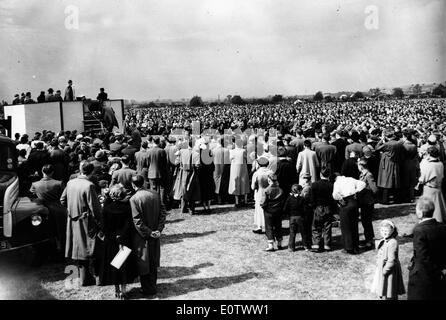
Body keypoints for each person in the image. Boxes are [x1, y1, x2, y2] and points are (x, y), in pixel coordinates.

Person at [61, 161, 102, 286]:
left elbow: (63, 200)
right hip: (86, 220)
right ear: (92, 172)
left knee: (78, 249)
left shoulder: (70, 182)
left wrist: (72, 209)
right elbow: (95, 209)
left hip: (73, 219)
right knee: (91, 248)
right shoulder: (89, 185)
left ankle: (83, 277)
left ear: (80, 169)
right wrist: (100, 222)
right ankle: (93, 277)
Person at [96, 184, 137, 299]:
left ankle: (117, 290)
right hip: (124, 240)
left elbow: (103, 227)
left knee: (114, 265)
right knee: (123, 265)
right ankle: (124, 291)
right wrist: (121, 236)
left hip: (111, 241)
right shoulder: (127, 208)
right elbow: (129, 225)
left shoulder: (106, 209)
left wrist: (113, 236)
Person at [130, 174, 167, 296]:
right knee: (153, 261)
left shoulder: (134, 199)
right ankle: (152, 285)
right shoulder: (154, 194)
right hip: (155, 234)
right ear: (144, 183)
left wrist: (150, 233)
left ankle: (147, 288)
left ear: (133, 185)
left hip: (143, 237)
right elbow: (163, 212)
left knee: (144, 262)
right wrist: (158, 230)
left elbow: (137, 221)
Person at [407, 197, 446, 300]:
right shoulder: (442, 226)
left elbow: (422, 257)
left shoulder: (419, 230)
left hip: (423, 277)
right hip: (439, 272)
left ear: (420, 213)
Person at [29, 164, 67, 258]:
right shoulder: (59, 183)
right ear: (52, 172)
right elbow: (65, 195)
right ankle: (62, 252)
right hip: (58, 209)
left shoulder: (35, 184)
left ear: (42, 172)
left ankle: (51, 251)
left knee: (48, 232)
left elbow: (31, 193)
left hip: (43, 209)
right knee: (60, 232)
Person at [370, 220, 406, 300]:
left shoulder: (393, 242)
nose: (384, 232)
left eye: (386, 230)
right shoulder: (384, 240)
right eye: (382, 230)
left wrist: (384, 271)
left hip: (389, 271)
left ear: (392, 231)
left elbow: (391, 260)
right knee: (384, 289)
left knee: (390, 290)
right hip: (382, 268)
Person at [332, 174, 366, 254]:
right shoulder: (350, 178)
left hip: (345, 202)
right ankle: (356, 247)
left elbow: (335, 195)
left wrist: (340, 198)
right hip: (353, 202)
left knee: (346, 227)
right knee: (354, 225)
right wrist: (356, 191)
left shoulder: (337, 182)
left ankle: (349, 247)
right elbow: (363, 184)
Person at [375, 129, 405, 204]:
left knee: (386, 181)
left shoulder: (387, 144)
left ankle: (385, 200)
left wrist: (381, 140)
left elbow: (377, 148)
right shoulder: (399, 143)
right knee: (395, 181)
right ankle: (397, 199)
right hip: (395, 162)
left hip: (387, 163)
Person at [417, 147, 446, 223]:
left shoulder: (429, 165)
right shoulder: (440, 164)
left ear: (429, 154)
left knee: (428, 207)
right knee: (438, 207)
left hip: (429, 188)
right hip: (438, 188)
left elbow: (422, 179)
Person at [310, 167, 336, 252]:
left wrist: (314, 207)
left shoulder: (314, 185)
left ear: (320, 174)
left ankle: (316, 244)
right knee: (327, 227)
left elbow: (312, 198)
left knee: (316, 226)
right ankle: (327, 245)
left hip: (318, 207)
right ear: (329, 175)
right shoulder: (332, 185)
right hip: (328, 207)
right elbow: (333, 198)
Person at [357, 158, 378, 249]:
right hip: (364, 202)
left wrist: (366, 191)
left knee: (367, 221)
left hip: (368, 202)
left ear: (361, 166)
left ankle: (369, 240)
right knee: (365, 221)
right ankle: (368, 238)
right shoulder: (363, 174)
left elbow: (375, 189)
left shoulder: (368, 175)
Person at [260, 173, 284, 252]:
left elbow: (263, 202)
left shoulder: (266, 190)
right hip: (278, 211)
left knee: (269, 227)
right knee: (278, 226)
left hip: (269, 211)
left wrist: (263, 207)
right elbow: (282, 201)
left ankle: (271, 245)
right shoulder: (280, 190)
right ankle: (279, 243)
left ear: (269, 180)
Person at [284, 184, 310, 251]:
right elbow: (305, 209)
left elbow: (285, 208)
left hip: (292, 217)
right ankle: (306, 246)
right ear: (299, 191)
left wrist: (289, 215)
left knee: (292, 233)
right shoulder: (302, 199)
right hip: (300, 217)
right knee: (303, 232)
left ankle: (291, 247)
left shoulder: (289, 199)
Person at [251, 157, 272, 234]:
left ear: (259, 164)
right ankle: (268, 226)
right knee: (268, 209)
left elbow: (253, 187)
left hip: (259, 192)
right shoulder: (271, 172)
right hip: (269, 192)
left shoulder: (256, 173)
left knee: (259, 209)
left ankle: (259, 226)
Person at [228, 138, 250, 207]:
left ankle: (237, 201)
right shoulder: (243, 151)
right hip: (243, 167)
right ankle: (245, 200)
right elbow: (247, 158)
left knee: (236, 183)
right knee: (244, 182)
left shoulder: (232, 151)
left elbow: (230, 159)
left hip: (234, 168)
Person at [146, 136, 168, 203]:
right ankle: (162, 203)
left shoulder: (149, 151)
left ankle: (154, 203)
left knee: (153, 188)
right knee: (162, 188)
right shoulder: (162, 151)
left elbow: (147, 163)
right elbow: (165, 163)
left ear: (153, 141)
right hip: (161, 172)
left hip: (151, 172)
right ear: (159, 142)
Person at [213, 137, 231, 204]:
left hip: (216, 167)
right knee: (224, 182)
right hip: (224, 167)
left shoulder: (214, 150)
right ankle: (224, 198)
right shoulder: (226, 150)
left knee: (216, 182)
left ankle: (218, 198)